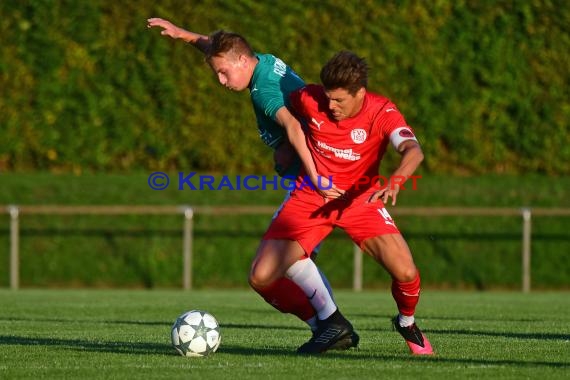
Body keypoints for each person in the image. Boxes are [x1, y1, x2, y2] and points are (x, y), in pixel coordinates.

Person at [146, 18, 359, 352]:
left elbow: (292, 127)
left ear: (243, 62)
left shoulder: (263, 91)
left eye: (223, 73)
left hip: (315, 180)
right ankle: (330, 325)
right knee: (298, 261)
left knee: (267, 272)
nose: (220, 80)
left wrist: (311, 173)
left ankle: (330, 324)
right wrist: (183, 35)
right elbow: (221, 49)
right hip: (324, 173)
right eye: (216, 73)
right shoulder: (263, 61)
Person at [254, 50, 434, 355]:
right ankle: (327, 325)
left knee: (405, 272)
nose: (331, 105)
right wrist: (283, 147)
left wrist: (396, 181)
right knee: (261, 277)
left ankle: (406, 322)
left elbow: (412, 150)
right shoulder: (309, 98)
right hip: (310, 198)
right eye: (328, 98)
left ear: (360, 93)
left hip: (362, 201)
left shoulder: (382, 112)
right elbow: (272, 97)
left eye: (339, 100)